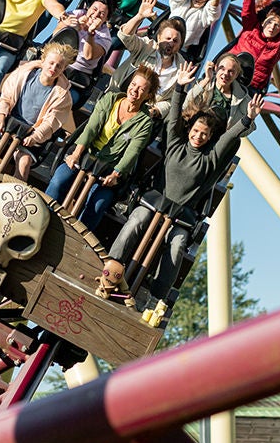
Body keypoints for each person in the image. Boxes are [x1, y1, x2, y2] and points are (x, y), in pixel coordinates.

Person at [101, 62, 243, 301]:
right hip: (154, 203)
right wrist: (179, 88)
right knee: (137, 219)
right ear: (189, 131)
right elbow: (174, 117)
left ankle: (156, 296)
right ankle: (112, 267)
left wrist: (246, 120)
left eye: (204, 135)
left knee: (177, 244)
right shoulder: (176, 144)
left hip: (180, 215)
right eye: (195, 131)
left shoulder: (209, 160)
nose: (198, 136)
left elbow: (229, 139)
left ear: (209, 138)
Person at [45, 64, 158, 235]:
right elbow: (91, 127)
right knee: (58, 181)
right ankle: (42, 218)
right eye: (133, 84)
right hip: (85, 154)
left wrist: (115, 175)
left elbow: (132, 152)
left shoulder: (144, 123)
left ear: (148, 95)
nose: (134, 90)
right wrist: (76, 153)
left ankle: (77, 240)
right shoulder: (110, 99)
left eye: (141, 89)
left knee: (98, 205)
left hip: (109, 169)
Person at [0, 42, 77, 180]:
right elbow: (6, 97)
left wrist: (35, 137)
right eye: (51, 63)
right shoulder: (24, 73)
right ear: (43, 61)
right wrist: (1, 115)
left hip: (29, 134)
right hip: (7, 123)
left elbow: (51, 123)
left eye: (58, 66)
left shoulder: (62, 96)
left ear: (64, 69)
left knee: (24, 164)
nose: (53, 68)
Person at [110, 0, 187, 108]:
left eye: (175, 41)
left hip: (146, 115)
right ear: (159, 37)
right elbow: (124, 36)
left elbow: (171, 101)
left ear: (180, 44)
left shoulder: (181, 68)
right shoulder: (147, 47)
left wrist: (157, 111)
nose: (170, 43)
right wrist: (139, 16)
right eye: (168, 38)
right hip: (118, 99)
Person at [53, 0, 117, 101]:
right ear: (88, 8)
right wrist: (73, 27)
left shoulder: (105, 37)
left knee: (61, 100)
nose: (96, 15)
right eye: (94, 9)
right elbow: (56, 34)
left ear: (106, 19)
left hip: (76, 75)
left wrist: (90, 34)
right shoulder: (77, 14)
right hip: (56, 62)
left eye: (101, 14)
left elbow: (89, 55)